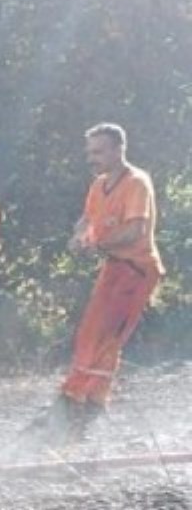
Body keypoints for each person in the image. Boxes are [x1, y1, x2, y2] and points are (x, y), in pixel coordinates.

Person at [48, 123, 163, 439]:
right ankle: (93, 399)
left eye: (98, 151)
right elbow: (87, 219)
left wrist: (97, 245)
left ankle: (75, 398)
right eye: (90, 151)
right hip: (115, 266)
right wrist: (77, 237)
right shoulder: (99, 184)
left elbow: (135, 230)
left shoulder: (137, 182)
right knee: (93, 333)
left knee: (101, 336)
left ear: (118, 150)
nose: (92, 158)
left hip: (136, 269)